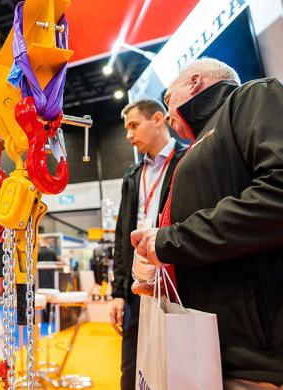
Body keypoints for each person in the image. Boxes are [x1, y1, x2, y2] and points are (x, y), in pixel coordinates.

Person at [131, 58, 283, 388]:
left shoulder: (251, 97)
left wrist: (168, 242)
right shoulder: (197, 146)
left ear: (195, 82)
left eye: (168, 98)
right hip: (204, 352)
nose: (167, 113)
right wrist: (166, 271)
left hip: (253, 362)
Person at [109, 99, 186, 390]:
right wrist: (117, 292)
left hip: (175, 285)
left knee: (174, 368)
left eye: (133, 125)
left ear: (157, 119)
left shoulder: (187, 159)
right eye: (126, 128)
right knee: (131, 370)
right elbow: (121, 236)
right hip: (136, 288)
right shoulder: (132, 175)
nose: (128, 135)